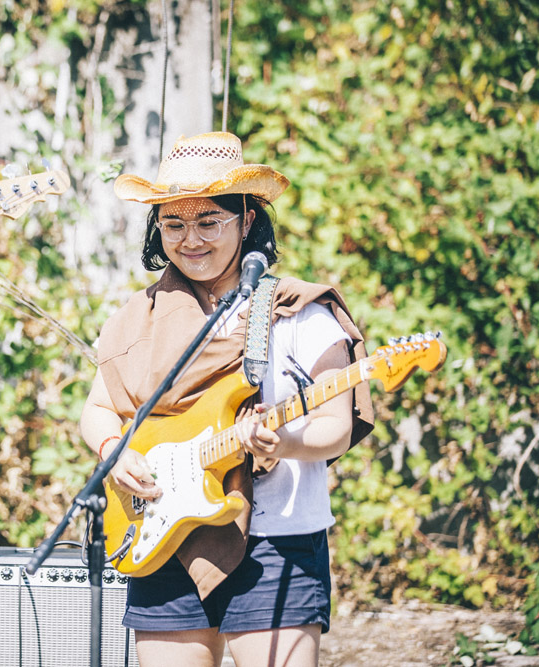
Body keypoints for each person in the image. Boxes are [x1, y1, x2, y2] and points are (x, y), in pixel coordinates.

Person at [81, 132, 374, 667]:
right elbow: (98, 409)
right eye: (174, 224)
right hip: (163, 532)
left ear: (246, 221)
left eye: (208, 222)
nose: (189, 239)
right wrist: (113, 452)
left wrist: (281, 442)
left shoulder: (298, 313)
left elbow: (337, 422)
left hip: (274, 541)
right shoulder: (138, 317)